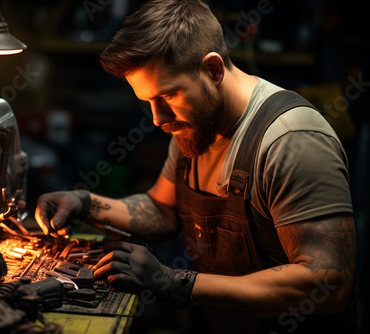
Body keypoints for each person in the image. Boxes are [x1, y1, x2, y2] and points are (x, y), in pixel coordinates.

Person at [35, 0, 357, 332]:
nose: (158, 119)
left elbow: (328, 283)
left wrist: (173, 282)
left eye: (168, 95)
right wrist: (85, 203)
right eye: (148, 101)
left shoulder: (290, 140)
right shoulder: (194, 126)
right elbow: (162, 209)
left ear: (213, 69)